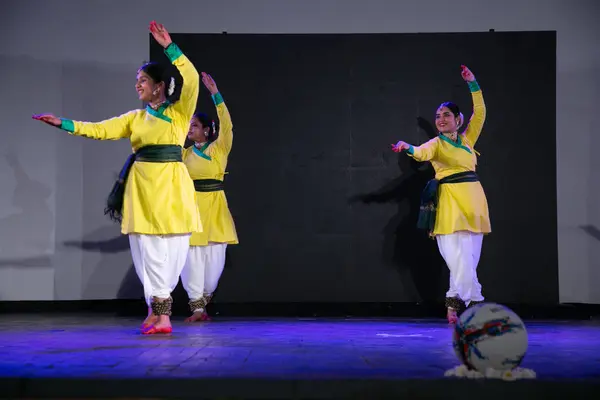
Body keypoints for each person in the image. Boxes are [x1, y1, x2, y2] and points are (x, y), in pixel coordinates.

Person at [32, 21, 202, 335]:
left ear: (159, 85)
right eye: (136, 80)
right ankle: (157, 312)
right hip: (142, 191)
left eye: (143, 80)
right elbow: (100, 129)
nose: (137, 85)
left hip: (173, 188)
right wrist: (63, 123)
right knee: (145, 249)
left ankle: (162, 312)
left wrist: (169, 46)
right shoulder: (135, 119)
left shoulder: (179, 114)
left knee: (174, 249)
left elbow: (191, 78)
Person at [391, 65, 488, 324]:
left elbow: (480, 113)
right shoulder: (436, 144)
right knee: (456, 257)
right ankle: (477, 304)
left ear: (459, 119)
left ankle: (453, 305)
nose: (441, 119)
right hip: (449, 203)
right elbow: (421, 152)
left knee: (469, 258)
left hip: (474, 202)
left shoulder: (467, 141)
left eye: (446, 115)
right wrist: (406, 147)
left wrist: (473, 84)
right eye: (438, 116)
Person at [179, 72, 238, 322]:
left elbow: (227, 124)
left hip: (215, 207)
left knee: (213, 264)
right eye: (188, 125)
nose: (190, 129)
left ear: (206, 129)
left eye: (194, 125)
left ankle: (204, 302)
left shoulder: (219, 148)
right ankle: (197, 309)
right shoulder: (183, 154)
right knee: (191, 260)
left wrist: (215, 94)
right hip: (192, 207)